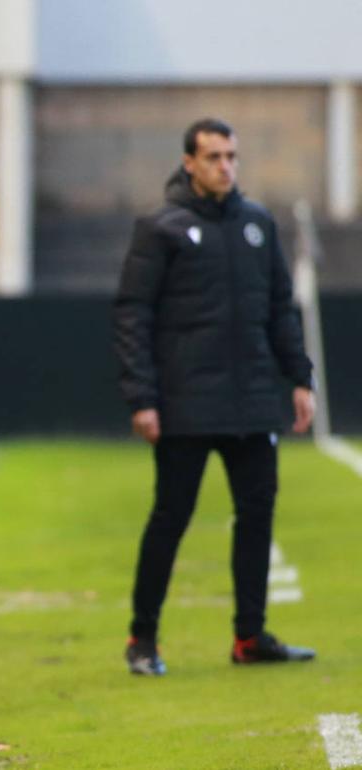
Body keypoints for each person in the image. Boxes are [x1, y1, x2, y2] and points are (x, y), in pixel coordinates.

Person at [113, 117, 317, 677]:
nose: (225, 166)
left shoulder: (257, 224)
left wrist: (300, 379)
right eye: (213, 157)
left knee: (257, 515)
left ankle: (249, 637)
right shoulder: (160, 228)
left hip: (252, 401)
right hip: (186, 403)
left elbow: (280, 309)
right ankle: (142, 638)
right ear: (189, 163)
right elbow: (133, 315)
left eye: (231, 156)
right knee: (171, 516)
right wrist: (142, 397)